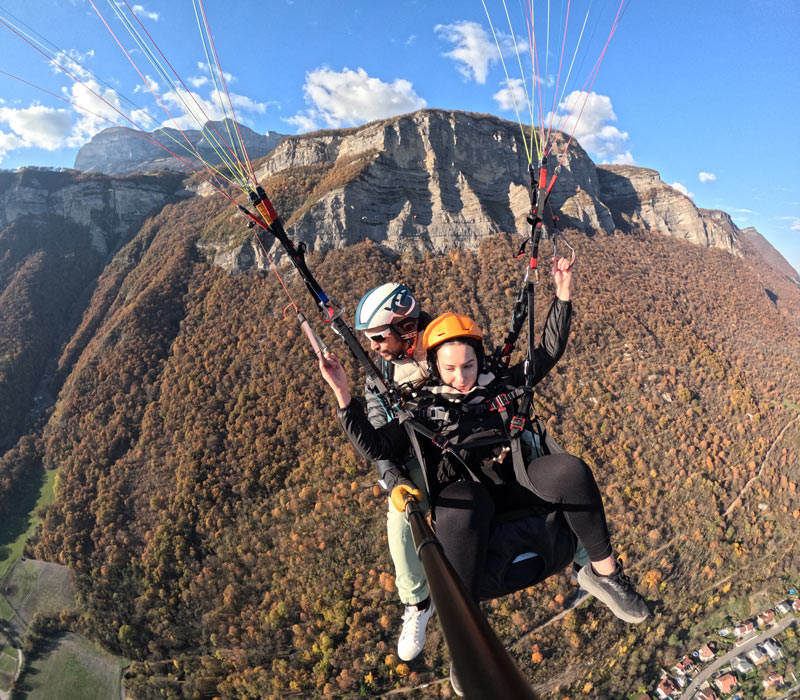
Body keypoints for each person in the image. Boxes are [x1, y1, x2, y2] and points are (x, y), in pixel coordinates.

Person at [321, 260, 649, 691]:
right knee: (456, 508)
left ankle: (604, 574)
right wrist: (344, 397)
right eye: (451, 369)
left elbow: (546, 353)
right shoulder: (421, 408)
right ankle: (464, 639)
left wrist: (563, 296)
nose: (461, 377)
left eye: (468, 366)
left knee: (570, 470)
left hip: (513, 475)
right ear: (436, 368)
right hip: (461, 485)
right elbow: (380, 446)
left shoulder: (493, 383)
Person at [354, 283, 436, 661]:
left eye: (377, 337)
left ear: (405, 329)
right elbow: (376, 423)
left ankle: (591, 559)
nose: (373, 346)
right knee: (399, 519)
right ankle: (418, 603)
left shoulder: (444, 344)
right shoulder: (381, 370)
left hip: (461, 445)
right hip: (416, 455)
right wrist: (393, 480)